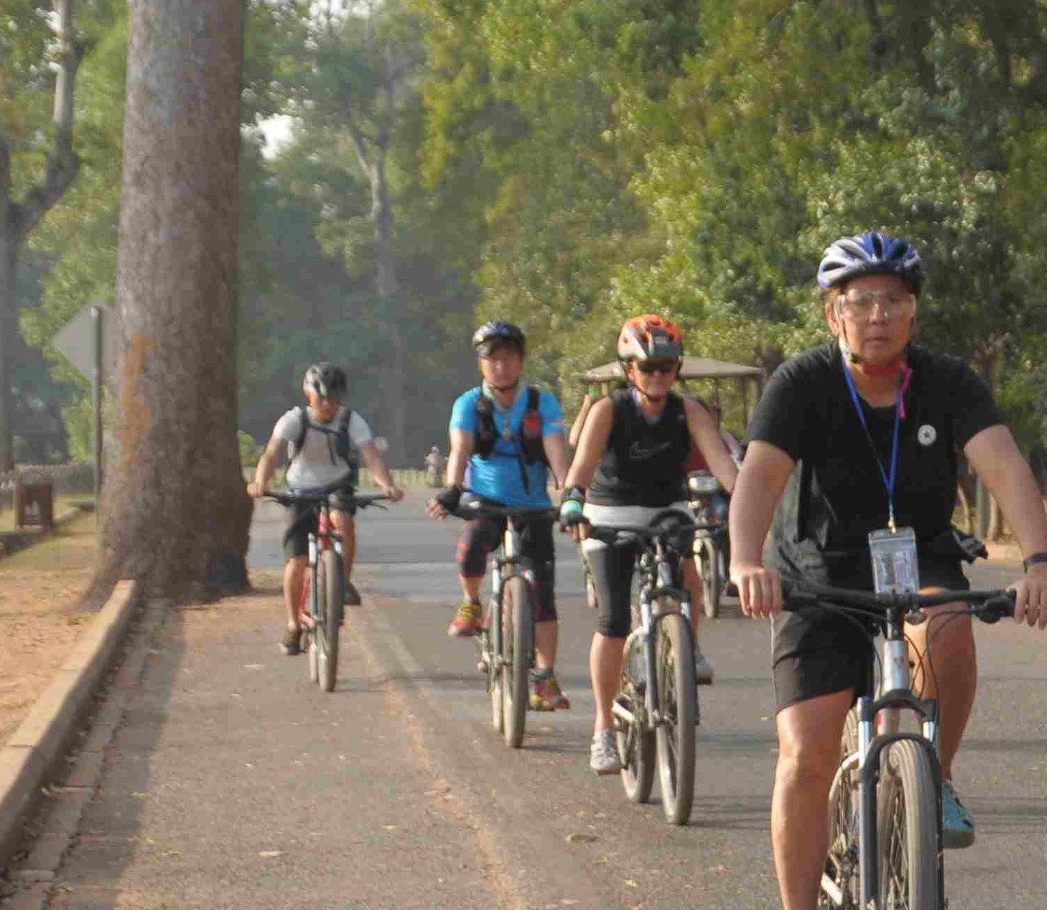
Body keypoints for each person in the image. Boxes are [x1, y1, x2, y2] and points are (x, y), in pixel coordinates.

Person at [727, 232, 1047, 910]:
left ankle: (934, 777)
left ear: (912, 312)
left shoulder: (948, 384)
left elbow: (1004, 464)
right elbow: (759, 478)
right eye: (859, 302)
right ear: (833, 314)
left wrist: (1040, 561)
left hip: (917, 561)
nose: (877, 316)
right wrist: (748, 562)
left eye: (892, 301)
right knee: (805, 757)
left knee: (950, 621)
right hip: (816, 576)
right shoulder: (801, 383)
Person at [560, 315, 744, 772]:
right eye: (647, 367)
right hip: (610, 514)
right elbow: (580, 468)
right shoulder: (609, 410)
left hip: (667, 510)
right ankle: (603, 728)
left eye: (666, 366)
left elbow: (724, 467)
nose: (657, 375)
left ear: (676, 369)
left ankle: (688, 648)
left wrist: (747, 501)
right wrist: (572, 503)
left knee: (690, 572)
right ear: (629, 371)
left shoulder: (690, 410)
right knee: (613, 620)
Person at [432, 320, 575, 713]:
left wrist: (570, 492)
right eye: (492, 359)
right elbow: (459, 450)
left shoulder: (541, 403)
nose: (501, 366)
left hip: (533, 506)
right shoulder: (468, 404)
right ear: (481, 364)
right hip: (486, 501)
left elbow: (556, 451)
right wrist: (453, 489)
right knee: (471, 546)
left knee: (544, 595)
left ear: (521, 361)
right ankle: (471, 602)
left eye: (508, 358)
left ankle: (545, 677)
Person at [246, 362, 402, 656]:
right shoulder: (294, 419)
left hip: (336, 485)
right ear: (308, 394)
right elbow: (272, 453)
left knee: (342, 520)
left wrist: (386, 485)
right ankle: (293, 623)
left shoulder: (351, 420)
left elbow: (371, 455)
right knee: (296, 562)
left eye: (334, 398)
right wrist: (259, 482)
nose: (328, 405)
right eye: (322, 399)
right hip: (299, 490)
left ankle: (341, 581)